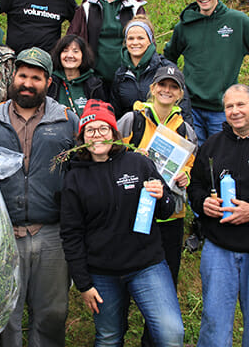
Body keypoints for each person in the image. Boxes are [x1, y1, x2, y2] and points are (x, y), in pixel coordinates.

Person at [0, 47, 79, 347]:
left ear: (48, 82)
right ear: (12, 78)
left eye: (36, 77)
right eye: (22, 75)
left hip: (53, 234)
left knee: (53, 313)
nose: (28, 83)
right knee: (5, 315)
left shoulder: (67, 120)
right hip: (3, 233)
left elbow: (83, 172)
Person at [60, 99, 184, 347]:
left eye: (103, 129)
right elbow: (71, 234)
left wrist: (162, 196)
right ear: (82, 137)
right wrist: (84, 283)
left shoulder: (137, 162)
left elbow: (168, 209)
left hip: (146, 265)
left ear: (114, 133)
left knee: (172, 334)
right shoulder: (74, 177)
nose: (98, 135)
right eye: (90, 130)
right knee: (108, 337)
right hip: (102, 272)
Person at [187, 84, 249, 347]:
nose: (235, 111)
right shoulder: (212, 145)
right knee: (214, 321)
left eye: (241, 105)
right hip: (219, 247)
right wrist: (203, 202)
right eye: (229, 106)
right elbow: (194, 186)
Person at [163, 0, 249, 146]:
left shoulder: (237, 21)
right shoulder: (185, 26)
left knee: (224, 156)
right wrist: (174, 88)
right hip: (191, 108)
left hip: (223, 110)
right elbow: (168, 58)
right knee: (192, 158)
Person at [117, 65, 197, 287]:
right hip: (133, 210)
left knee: (167, 277)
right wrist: (132, 157)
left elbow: (190, 167)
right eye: (162, 84)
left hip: (170, 217)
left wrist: (185, 177)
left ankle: (154, 323)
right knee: (127, 275)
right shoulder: (132, 120)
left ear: (180, 94)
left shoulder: (186, 131)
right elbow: (110, 155)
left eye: (174, 87)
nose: (167, 90)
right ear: (152, 88)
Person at [67, 0, 146, 95]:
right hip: (95, 78)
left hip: (127, 77)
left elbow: (147, 39)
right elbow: (73, 37)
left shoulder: (134, 7)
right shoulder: (87, 7)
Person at [111, 15, 188, 120]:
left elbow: (184, 109)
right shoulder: (121, 74)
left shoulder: (166, 69)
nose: (135, 42)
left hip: (162, 131)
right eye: (131, 38)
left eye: (140, 38)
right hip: (132, 132)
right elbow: (116, 113)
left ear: (150, 40)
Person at [47, 34, 106, 116]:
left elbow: (102, 115)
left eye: (75, 51)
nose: (70, 55)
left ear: (83, 55)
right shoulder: (51, 82)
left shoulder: (94, 84)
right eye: (65, 50)